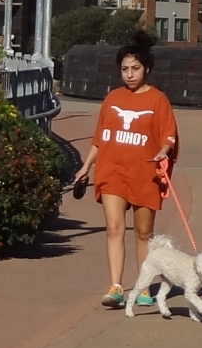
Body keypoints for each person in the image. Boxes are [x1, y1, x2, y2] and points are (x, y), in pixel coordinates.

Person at [71, 34, 179, 310]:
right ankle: (116, 287)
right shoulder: (113, 98)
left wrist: (163, 152)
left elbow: (169, 136)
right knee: (114, 228)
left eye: (135, 69)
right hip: (112, 172)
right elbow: (100, 138)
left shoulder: (158, 100)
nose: (130, 75)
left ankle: (143, 286)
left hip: (145, 175)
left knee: (143, 233)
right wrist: (86, 167)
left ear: (147, 69)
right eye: (125, 69)